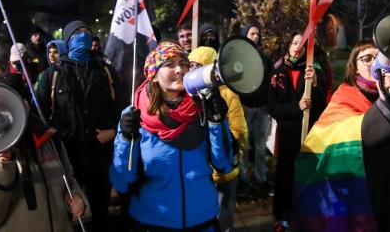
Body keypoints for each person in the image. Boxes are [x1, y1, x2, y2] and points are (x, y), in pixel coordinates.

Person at [292, 39, 390, 231]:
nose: (375, 63)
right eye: (367, 58)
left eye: (379, 57)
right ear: (354, 68)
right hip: (367, 187)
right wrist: (385, 104)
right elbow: (358, 133)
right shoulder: (345, 96)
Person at [110, 40, 235, 231]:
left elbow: (224, 163)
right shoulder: (135, 115)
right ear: (152, 75)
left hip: (202, 219)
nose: (180, 70)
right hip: (152, 221)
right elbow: (122, 180)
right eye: (169, 64)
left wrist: (218, 121)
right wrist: (126, 138)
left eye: (183, 63)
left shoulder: (202, 107)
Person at [0, 72, 87, 232]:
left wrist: (77, 197)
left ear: (27, 105)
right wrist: (2, 164)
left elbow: (68, 180)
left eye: (16, 103)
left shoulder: (49, 139)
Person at [35, 20, 119, 232]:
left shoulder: (106, 72)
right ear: (67, 39)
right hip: (66, 155)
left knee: (101, 210)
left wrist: (113, 131)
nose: (83, 35)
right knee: (66, 210)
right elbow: (40, 117)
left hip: (100, 155)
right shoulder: (51, 76)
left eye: (86, 32)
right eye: (77, 33)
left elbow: (122, 109)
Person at [267, 32, 327, 230]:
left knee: (308, 173)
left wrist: (316, 86)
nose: (297, 47)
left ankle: (307, 212)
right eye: (294, 42)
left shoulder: (314, 69)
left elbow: (321, 105)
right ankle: (282, 215)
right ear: (288, 45)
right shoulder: (276, 71)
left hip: (309, 132)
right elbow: (273, 107)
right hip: (287, 133)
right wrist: (297, 107)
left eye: (302, 44)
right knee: (285, 173)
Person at [189, 46, 247, 232]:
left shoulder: (228, 94)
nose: (192, 71)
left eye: (197, 66)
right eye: (190, 65)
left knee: (223, 218)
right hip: (200, 174)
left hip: (223, 175)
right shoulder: (187, 95)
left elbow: (238, 131)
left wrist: (231, 156)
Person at [236, 23, 274, 199]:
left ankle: (261, 180)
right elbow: (235, 84)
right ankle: (243, 180)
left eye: (257, 34)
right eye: (252, 34)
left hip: (261, 109)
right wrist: (239, 104)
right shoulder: (238, 58)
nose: (255, 37)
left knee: (260, 146)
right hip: (244, 109)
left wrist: (267, 103)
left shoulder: (265, 59)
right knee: (243, 146)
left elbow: (269, 83)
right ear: (245, 35)